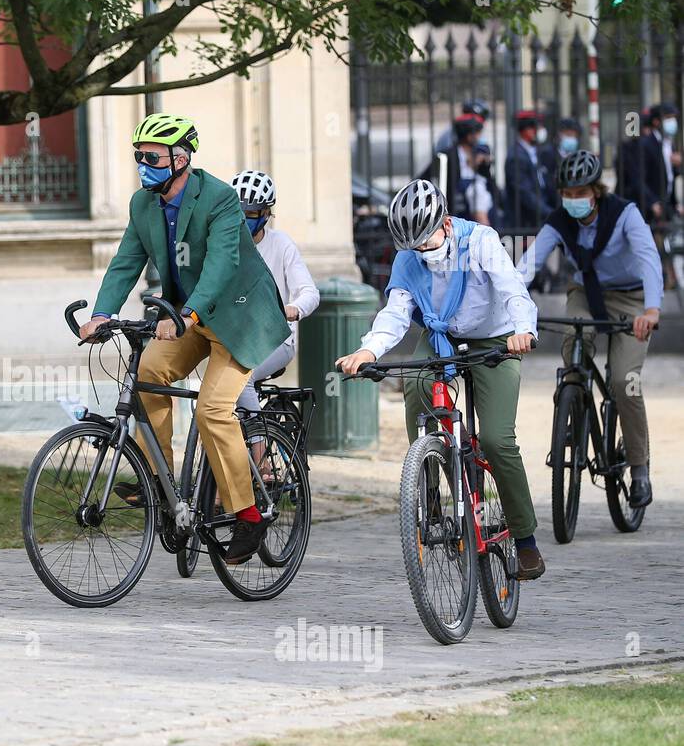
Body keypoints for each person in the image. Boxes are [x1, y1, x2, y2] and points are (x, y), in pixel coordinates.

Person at [81, 114, 290, 565]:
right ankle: (160, 482)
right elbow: (125, 262)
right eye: (138, 156)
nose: (142, 164)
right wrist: (102, 314)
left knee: (214, 409)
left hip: (238, 316)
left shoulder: (219, 199)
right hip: (187, 315)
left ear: (181, 158)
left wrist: (187, 314)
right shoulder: (143, 204)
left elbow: (220, 264)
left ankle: (249, 514)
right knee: (149, 372)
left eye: (150, 157)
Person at [335, 179, 545, 580]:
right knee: (415, 386)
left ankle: (525, 540)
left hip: (497, 339)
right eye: (412, 246)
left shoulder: (480, 241)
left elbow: (513, 289)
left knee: (499, 440)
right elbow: (396, 313)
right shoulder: (409, 258)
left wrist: (523, 330)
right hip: (441, 336)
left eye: (427, 242)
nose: (422, 252)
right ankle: (429, 477)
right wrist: (368, 351)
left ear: (446, 224)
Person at [516, 150, 661, 508]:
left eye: (581, 192)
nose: (573, 199)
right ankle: (573, 402)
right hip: (585, 294)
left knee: (624, 383)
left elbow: (648, 258)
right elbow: (527, 264)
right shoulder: (558, 222)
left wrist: (652, 309)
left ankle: (639, 468)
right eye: (568, 193)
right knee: (573, 352)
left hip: (632, 300)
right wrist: (513, 306)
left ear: (596, 191)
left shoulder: (624, 214)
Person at [229, 169, 320, 414]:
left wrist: (293, 308)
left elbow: (310, 292)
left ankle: (256, 447)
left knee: (241, 379)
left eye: (250, 213)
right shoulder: (224, 244)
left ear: (266, 213)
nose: (243, 219)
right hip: (235, 338)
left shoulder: (281, 244)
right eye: (238, 212)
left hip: (276, 338)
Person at [505, 109, 555, 228]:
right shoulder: (516, 157)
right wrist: (548, 212)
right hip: (526, 222)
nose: (540, 131)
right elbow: (525, 194)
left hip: (540, 216)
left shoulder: (534, 152)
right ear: (526, 130)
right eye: (537, 127)